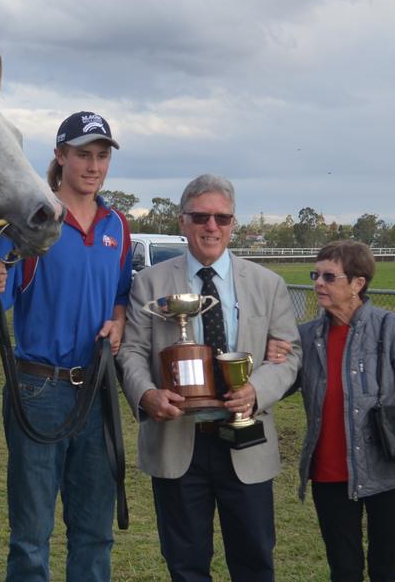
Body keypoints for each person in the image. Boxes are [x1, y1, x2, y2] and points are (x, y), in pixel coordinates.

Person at [0, 111, 132, 582]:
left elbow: (120, 296)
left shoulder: (119, 227)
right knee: (32, 537)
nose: (93, 166)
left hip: (97, 391)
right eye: (83, 155)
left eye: (101, 156)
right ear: (60, 156)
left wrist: (117, 321)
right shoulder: (30, 221)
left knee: (95, 534)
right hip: (39, 391)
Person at [119, 173, 301, 582]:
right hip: (177, 441)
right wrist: (147, 395)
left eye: (222, 218)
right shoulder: (149, 283)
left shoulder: (267, 285)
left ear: (233, 223)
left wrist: (257, 390)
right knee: (185, 565)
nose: (211, 227)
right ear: (182, 222)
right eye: (200, 217)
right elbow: (130, 351)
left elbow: (291, 355)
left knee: (254, 563)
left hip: (246, 443)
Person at [295, 240, 395, 582]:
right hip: (329, 474)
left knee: (386, 571)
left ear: (358, 283)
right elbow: (282, 382)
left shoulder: (391, 328)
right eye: (315, 274)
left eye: (329, 276)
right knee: (343, 571)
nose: (318, 283)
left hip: (388, 473)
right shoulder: (306, 336)